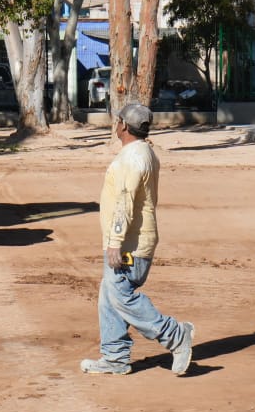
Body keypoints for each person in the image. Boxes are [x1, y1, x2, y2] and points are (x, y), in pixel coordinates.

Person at [81, 103, 195, 376]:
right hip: (131, 239)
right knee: (109, 296)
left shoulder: (133, 158)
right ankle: (114, 357)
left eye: (118, 120)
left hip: (130, 243)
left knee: (121, 296)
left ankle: (175, 335)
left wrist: (115, 242)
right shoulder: (143, 152)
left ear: (123, 126)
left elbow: (125, 202)